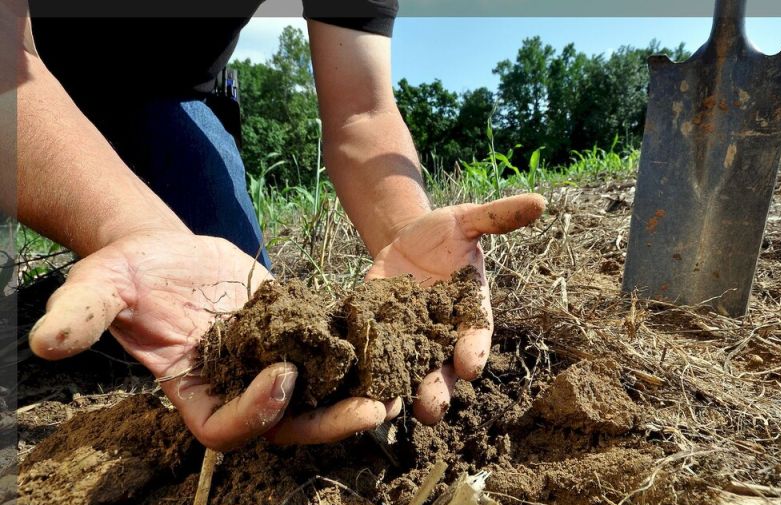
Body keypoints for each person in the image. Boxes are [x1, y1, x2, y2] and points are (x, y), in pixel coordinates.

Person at [7, 1, 546, 450]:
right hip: (22, 64)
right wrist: (120, 223)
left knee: (230, 298)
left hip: (165, 94)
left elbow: (361, 109)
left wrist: (410, 236)